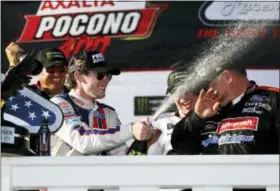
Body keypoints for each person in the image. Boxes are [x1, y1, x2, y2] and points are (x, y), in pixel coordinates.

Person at [50, 50, 152, 156]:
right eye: (100, 74)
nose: (106, 80)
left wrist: (143, 142)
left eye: (108, 75)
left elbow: (122, 160)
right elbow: (82, 141)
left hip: (98, 172)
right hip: (63, 172)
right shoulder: (58, 105)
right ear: (78, 76)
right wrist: (130, 129)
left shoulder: (108, 113)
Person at [171, 64, 279, 154]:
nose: (205, 90)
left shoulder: (273, 99)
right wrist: (196, 117)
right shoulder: (205, 109)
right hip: (212, 179)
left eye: (210, 85)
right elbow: (181, 147)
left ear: (227, 77)